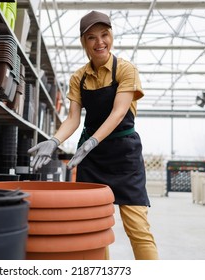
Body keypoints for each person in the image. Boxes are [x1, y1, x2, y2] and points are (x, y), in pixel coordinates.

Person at [28, 10, 158, 260]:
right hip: (93, 158)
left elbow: (119, 113)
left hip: (124, 155)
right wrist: (55, 141)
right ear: (84, 42)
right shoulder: (79, 77)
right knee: (95, 226)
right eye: (92, 37)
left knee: (138, 227)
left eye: (105, 35)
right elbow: (73, 118)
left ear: (111, 36)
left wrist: (93, 141)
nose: (100, 42)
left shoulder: (125, 69)